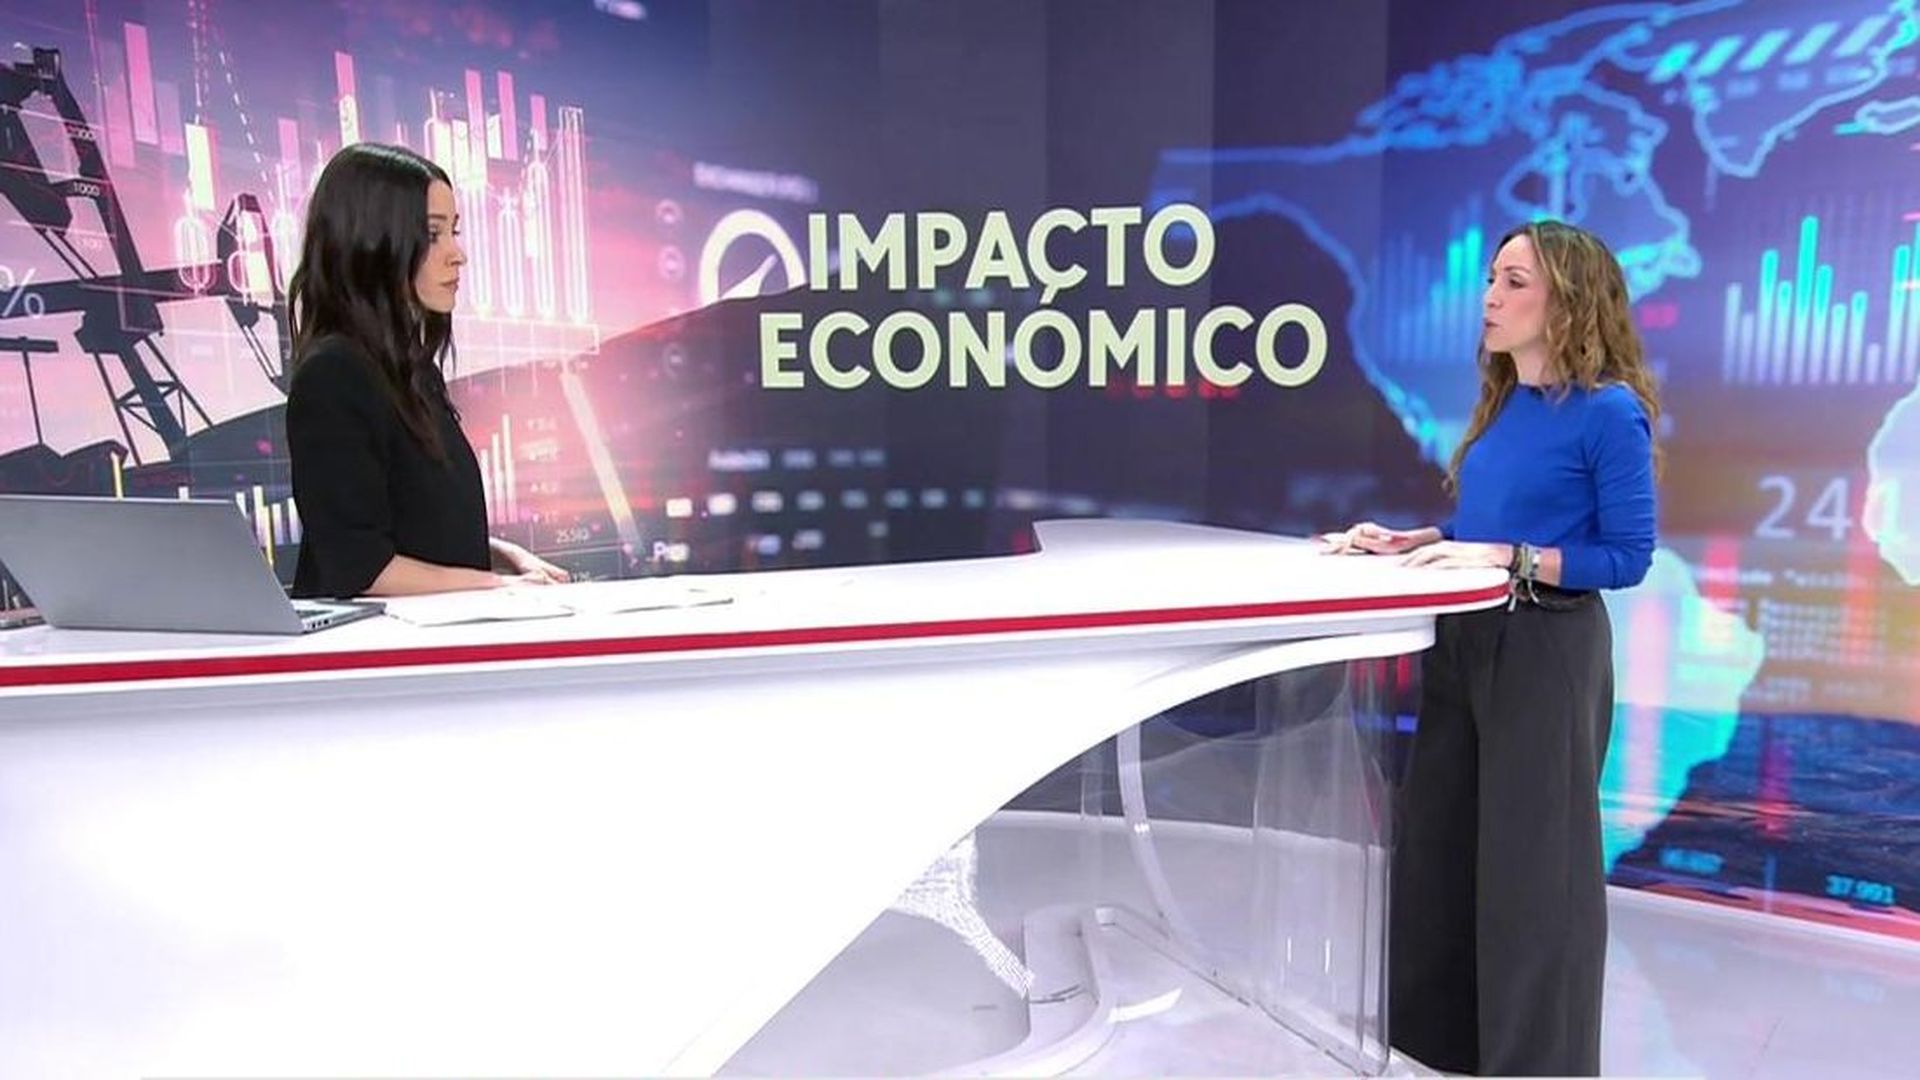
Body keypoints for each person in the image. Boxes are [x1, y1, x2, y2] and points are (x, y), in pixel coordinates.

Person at [1320, 220, 1660, 1076]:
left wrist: (1509, 559)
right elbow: (1493, 526)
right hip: (1465, 641)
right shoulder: (1508, 404)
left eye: (1514, 282)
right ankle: (1441, 1048)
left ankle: (1537, 1062)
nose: (1489, 299)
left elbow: (1626, 557)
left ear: (1568, 301)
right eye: (1490, 280)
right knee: (1443, 849)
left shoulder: (1610, 413)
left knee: (1536, 875)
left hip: (1546, 650)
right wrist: (1423, 539)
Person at [284, 142, 568, 598]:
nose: (457, 254)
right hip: (376, 643)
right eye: (433, 234)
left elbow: (418, 531)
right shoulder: (333, 375)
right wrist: (500, 587)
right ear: (371, 242)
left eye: (453, 231)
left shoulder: (409, 371)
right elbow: (360, 567)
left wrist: (502, 556)